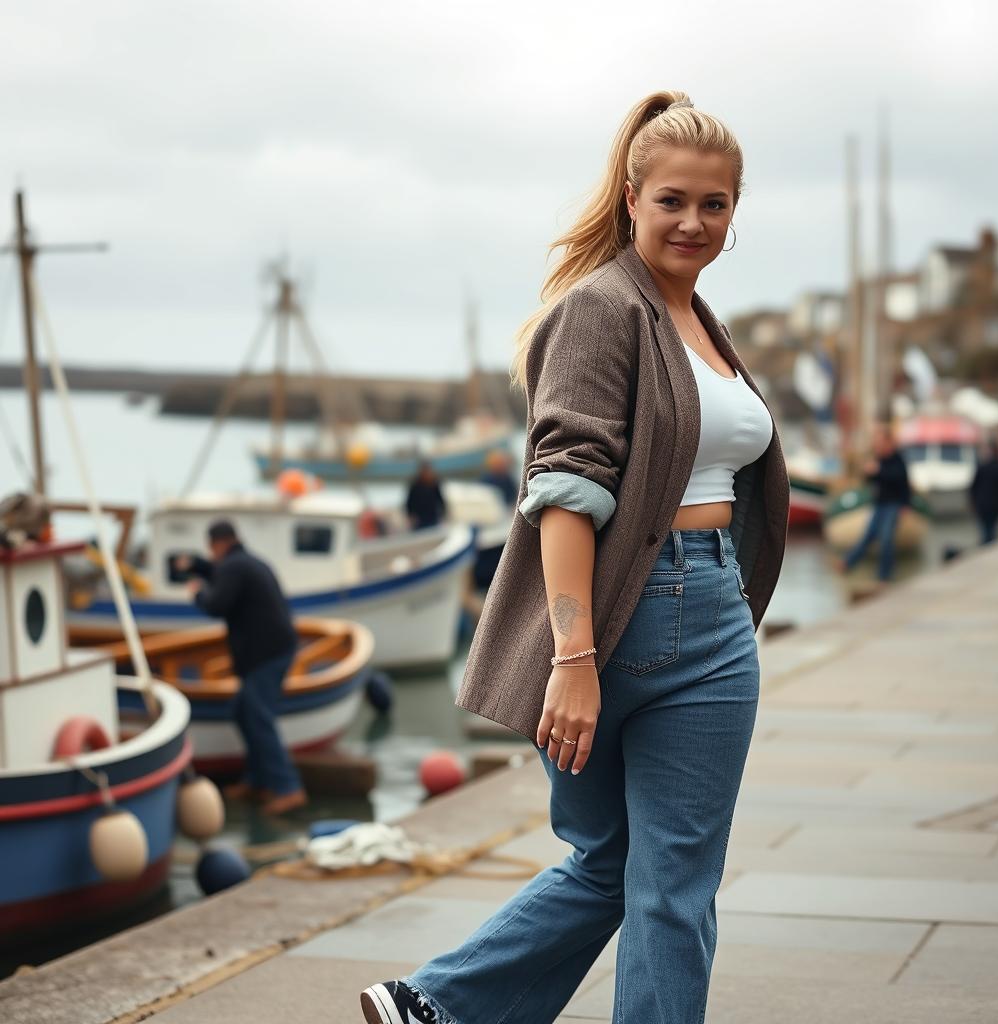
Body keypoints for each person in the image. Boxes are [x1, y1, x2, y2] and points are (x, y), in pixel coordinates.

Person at [359, 90, 790, 1024]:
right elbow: (563, 490)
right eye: (672, 199)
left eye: (714, 204)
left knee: (627, 868)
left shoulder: (700, 321)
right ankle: (440, 1001)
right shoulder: (604, 309)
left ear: (733, 213)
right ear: (631, 198)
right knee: (663, 882)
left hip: (707, 604)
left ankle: (430, 1005)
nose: (693, 221)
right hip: (637, 611)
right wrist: (575, 656)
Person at [178, 519, 307, 816]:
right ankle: (257, 780)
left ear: (217, 544)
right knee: (242, 711)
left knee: (258, 716)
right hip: (271, 650)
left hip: (267, 654)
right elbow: (220, 575)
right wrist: (198, 566)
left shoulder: (234, 568)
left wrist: (197, 592)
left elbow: (216, 604)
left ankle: (289, 788)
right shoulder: (243, 563)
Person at [841, 423, 911, 581]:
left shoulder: (897, 460)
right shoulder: (878, 459)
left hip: (893, 505)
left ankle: (884, 577)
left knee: (886, 539)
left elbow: (901, 480)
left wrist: (906, 505)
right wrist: (869, 472)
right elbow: (870, 480)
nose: (878, 446)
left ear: (888, 443)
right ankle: (847, 563)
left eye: (881, 443)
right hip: (879, 504)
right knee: (868, 536)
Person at [405, 460, 447, 530]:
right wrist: (410, 516)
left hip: (433, 517)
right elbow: (409, 502)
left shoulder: (434, 484)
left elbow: (440, 500)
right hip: (419, 519)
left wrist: (443, 513)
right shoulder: (415, 486)